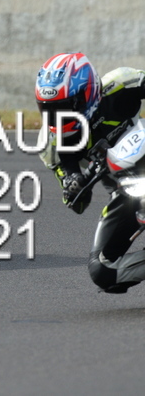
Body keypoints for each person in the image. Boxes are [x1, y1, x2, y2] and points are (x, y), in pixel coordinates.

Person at [35, 52, 145, 293]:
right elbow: (77, 203)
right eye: (48, 109)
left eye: (64, 107)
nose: (57, 116)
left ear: (87, 94)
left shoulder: (121, 83)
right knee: (102, 270)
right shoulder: (51, 144)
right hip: (125, 191)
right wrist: (74, 185)